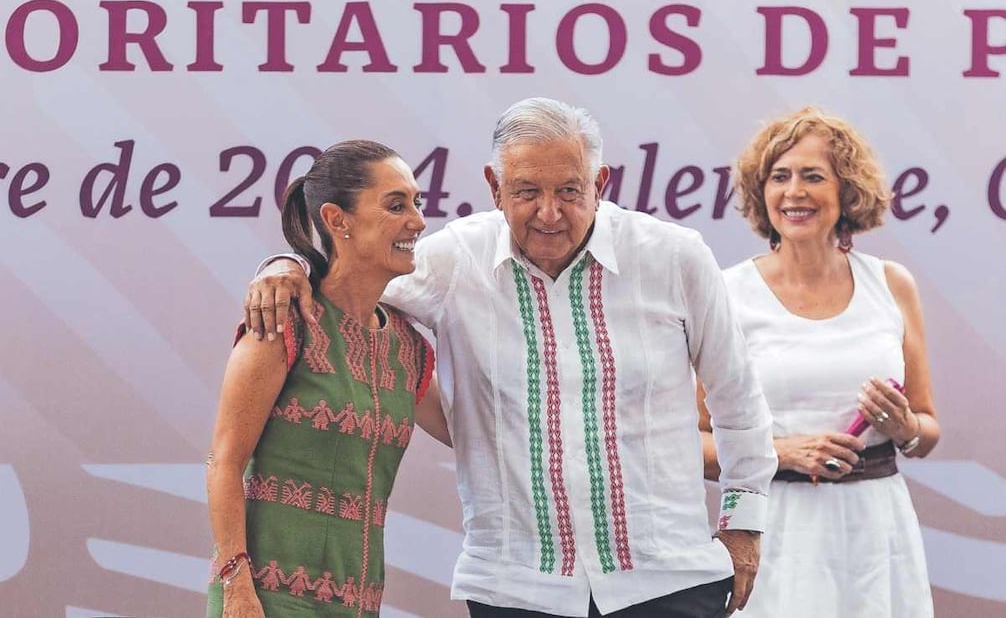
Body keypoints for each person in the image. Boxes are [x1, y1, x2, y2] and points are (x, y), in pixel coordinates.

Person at [249, 98, 777, 617]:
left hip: (668, 582)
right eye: (526, 192)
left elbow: (738, 402)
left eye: (570, 191)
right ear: (494, 188)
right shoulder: (457, 260)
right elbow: (349, 285)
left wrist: (744, 527)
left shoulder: (673, 256)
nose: (549, 213)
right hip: (515, 590)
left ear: (600, 184)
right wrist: (286, 266)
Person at [697, 107, 940, 617]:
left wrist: (904, 427)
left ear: (847, 191)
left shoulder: (892, 284)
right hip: (773, 532)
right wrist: (779, 452)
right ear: (761, 192)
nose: (794, 192)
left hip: (877, 532)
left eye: (813, 176)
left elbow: (926, 428)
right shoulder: (726, 291)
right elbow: (686, 441)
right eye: (779, 177)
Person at [205, 140, 450, 617]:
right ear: (338, 220)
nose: (418, 221)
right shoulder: (283, 323)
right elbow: (224, 461)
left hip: (358, 604)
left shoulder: (408, 348)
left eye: (417, 204)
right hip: (266, 600)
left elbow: (470, 430)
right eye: (396, 205)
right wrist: (235, 586)